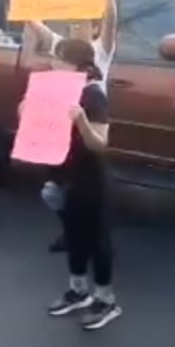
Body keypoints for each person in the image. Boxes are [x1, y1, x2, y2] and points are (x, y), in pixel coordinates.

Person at [26, 0, 117, 252]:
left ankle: (91, 240)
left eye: (85, 22)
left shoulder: (98, 51)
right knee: (57, 188)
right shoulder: (63, 48)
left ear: (94, 26)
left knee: (88, 186)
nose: (79, 26)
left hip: (90, 118)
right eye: (74, 22)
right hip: (63, 125)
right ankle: (70, 232)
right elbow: (35, 24)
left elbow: (112, 22)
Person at [42, 38, 121, 330]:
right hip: (64, 173)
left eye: (57, 58)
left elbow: (100, 144)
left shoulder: (93, 94)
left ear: (75, 64)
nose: (52, 63)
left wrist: (82, 121)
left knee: (96, 239)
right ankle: (78, 291)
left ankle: (106, 299)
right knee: (73, 235)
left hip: (91, 177)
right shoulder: (56, 91)